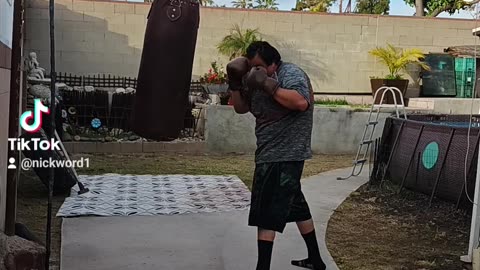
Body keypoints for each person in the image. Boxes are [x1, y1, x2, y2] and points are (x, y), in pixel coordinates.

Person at [226, 41, 327, 270]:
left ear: (274, 63)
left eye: (260, 67)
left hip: (282, 154)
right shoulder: (251, 77)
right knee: (296, 206)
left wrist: (268, 85)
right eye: (252, 66)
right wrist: (234, 82)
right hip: (269, 151)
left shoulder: (290, 74)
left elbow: (301, 102)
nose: (255, 71)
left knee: (266, 213)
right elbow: (241, 108)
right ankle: (316, 260)